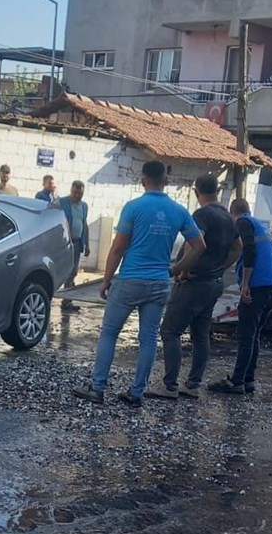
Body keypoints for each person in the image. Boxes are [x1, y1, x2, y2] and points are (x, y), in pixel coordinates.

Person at [73, 161, 206, 406]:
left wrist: (106, 280)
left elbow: (118, 248)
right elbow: (199, 246)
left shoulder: (133, 207)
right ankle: (136, 393)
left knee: (110, 332)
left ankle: (97, 388)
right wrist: (175, 270)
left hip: (130, 280)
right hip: (159, 283)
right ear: (166, 181)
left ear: (143, 181)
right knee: (148, 338)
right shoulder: (179, 211)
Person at [147, 175, 241, 400]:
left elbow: (196, 244)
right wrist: (220, 268)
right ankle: (193, 384)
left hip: (195, 283)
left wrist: (181, 270)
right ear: (217, 190)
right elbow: (238, 248)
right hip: (214, 283)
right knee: (200, 334)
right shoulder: (228, 217)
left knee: (170, 331)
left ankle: (170, 386)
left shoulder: (202, 215)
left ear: (197, 192)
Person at [209, 198, 272, 395]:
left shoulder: (243, 223)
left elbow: (248, 250)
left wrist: (245, 284)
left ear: (233, 213)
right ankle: (248, 379)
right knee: (254, 335)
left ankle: (237, 381)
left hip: (257, 287)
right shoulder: (260, 226)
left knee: (245, 336)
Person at [59, 180, 90, 313]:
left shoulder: (84, 206)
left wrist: (87, 244)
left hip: (77, 243)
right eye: (75, 192)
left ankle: (67, 301)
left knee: (73, 272)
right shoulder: (62, 203)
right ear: (71, 190)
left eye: (80, 193)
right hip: (63, 243)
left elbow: (84, 224)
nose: (77, 195)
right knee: (60, 271)